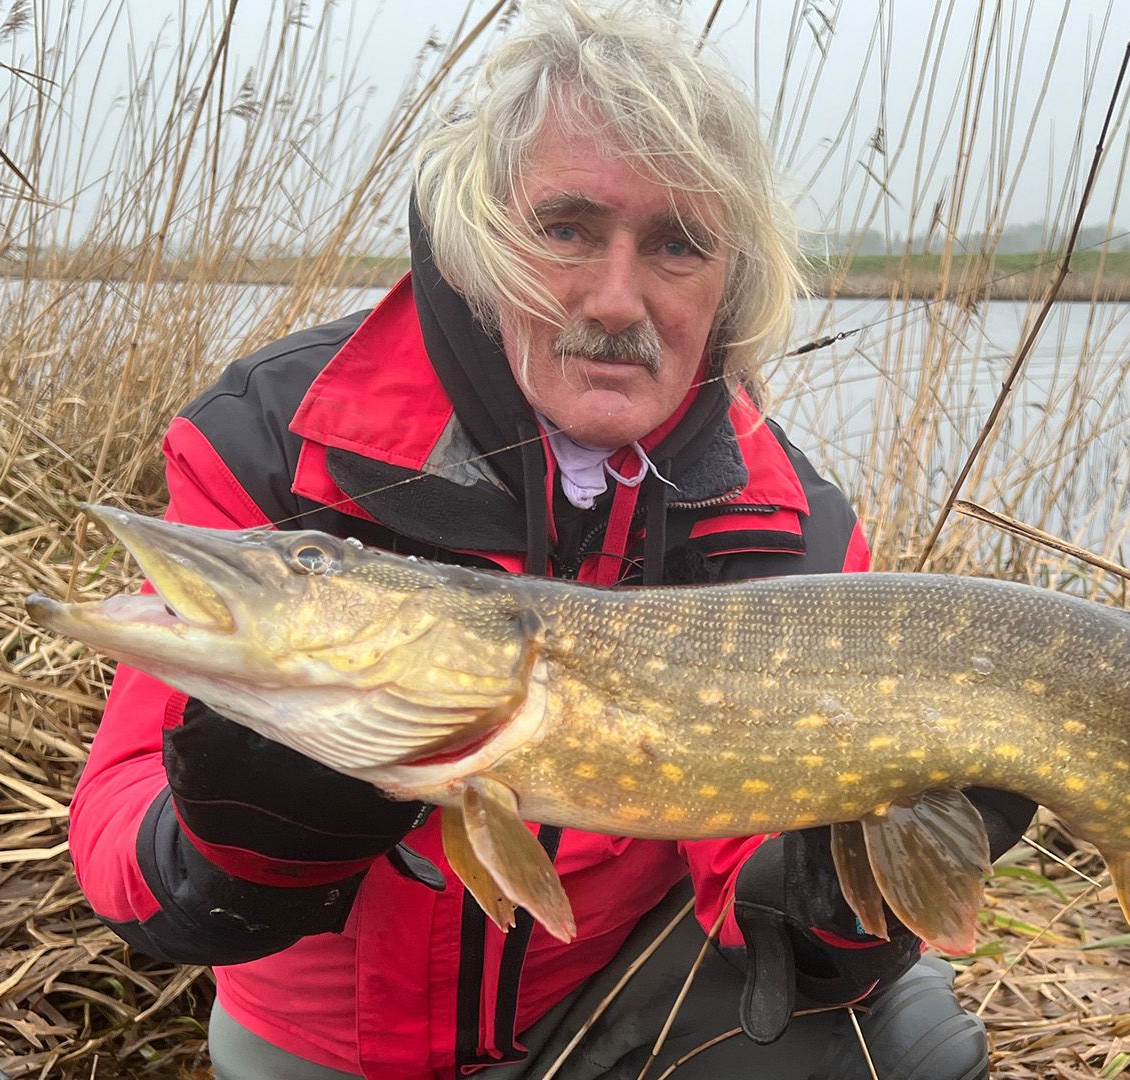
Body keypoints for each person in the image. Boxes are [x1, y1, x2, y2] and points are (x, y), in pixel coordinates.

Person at [66, 4, 1037, 1078]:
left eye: (675, 244)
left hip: (603, 1004)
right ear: (486, 243)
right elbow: (121, 853)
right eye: (567, 229)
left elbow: (772, 914)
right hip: (327, 1045)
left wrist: (838, 895)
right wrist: (238, 843)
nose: (616, 299)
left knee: (904, 1039)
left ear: (731, 284)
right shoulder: (274, 440)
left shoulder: (788, 523)